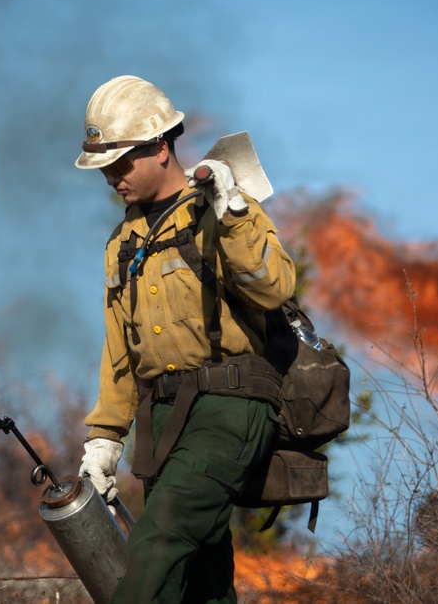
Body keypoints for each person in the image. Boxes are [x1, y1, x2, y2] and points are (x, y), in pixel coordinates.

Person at [75, 75, 296, 603]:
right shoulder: (122, 243)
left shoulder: (219, 207)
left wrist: (233, 213)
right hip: (165, 420)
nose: (111, 177)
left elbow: (275, 285)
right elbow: (120, 353)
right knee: (201, 583)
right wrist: (105, 438)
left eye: (120, 162)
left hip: (230, 405)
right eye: (104, 167)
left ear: (159, 147)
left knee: (158, 545)